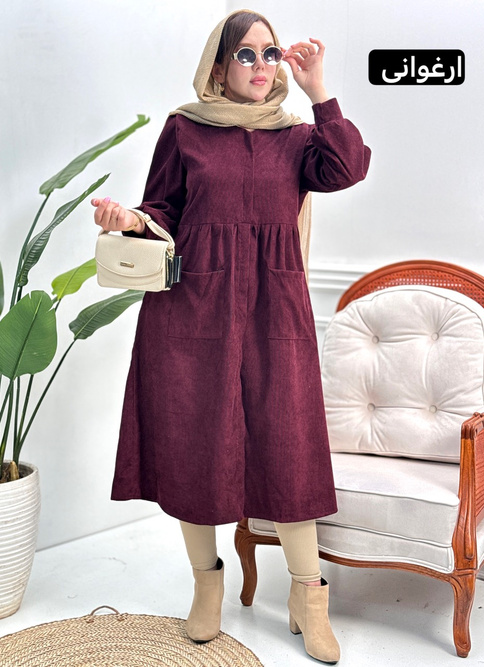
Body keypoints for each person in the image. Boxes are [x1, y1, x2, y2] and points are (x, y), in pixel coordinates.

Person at [91, 9, 370, 664]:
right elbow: (162, 208)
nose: (261, 65)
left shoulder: (297, 137)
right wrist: (128, 219)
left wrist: (319, 90)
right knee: (195, 443)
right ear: (219, 66)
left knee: (290, 447)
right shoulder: (184, 128)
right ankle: (207, 587)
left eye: (270, 53)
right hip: (193, 308)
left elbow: (349, 167)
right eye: (246, 54)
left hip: (276, 308)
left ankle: (308, 597)